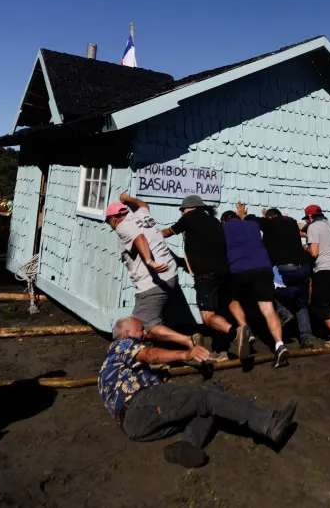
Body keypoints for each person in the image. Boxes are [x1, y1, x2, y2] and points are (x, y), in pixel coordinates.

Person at [99, 316, 297, 468]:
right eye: (140, 330)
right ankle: (268, 423)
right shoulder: (121, 345)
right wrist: (187, 353)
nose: (144, 334)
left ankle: (186, 446)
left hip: (136, 426)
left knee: (206, 400)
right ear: (126, 333)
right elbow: (150, 355)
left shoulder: (110, 371)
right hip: (140, 404)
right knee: (207, 398)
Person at [161, 195, 251, 360]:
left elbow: (168, 232)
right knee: (223, 309)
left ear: (193, 208)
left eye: (183, 209)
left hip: (205, 275)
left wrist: (153, 236)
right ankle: (221, 350)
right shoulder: (215, 221)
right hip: (225, 272)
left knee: (208, 316)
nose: (182, 213)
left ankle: (236, 333)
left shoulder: (189, 218)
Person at [221, 203, 290, 367]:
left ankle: (245, 330)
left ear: (224, 221)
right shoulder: (252, 225)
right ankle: (280, 345)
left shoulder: (223, 229)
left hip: (240, 269)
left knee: (232, 298)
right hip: (264, 268)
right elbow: (246, 222)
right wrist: (243, 214)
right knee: (268, 308)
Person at [106, 194, 180, 331]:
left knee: (142, 328)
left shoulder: (122, 227)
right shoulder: (142, 215)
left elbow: (139, 238)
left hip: (152, 282)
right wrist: (128, 199)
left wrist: (150, 261)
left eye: (107, 221)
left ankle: (188, 342)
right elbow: (144, 205)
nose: (109, 225)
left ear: (113, 219)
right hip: (171, 274)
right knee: (154, 320)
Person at [255, 207, 317, 348]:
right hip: (303, 267)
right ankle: (307, 337)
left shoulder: (270, 224)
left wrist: (245, 215)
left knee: (267, 289)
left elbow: (254, 221)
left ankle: (283, 312)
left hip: (286, 267)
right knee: (301, 303)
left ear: (270, 217)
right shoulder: (291, 223)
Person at [303, 205, 330, 347]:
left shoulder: (313, 227)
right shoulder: (329, 227)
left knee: (319, 306)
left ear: (310, 217)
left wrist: (304, 248)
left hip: (324, 270)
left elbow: (314, 253)